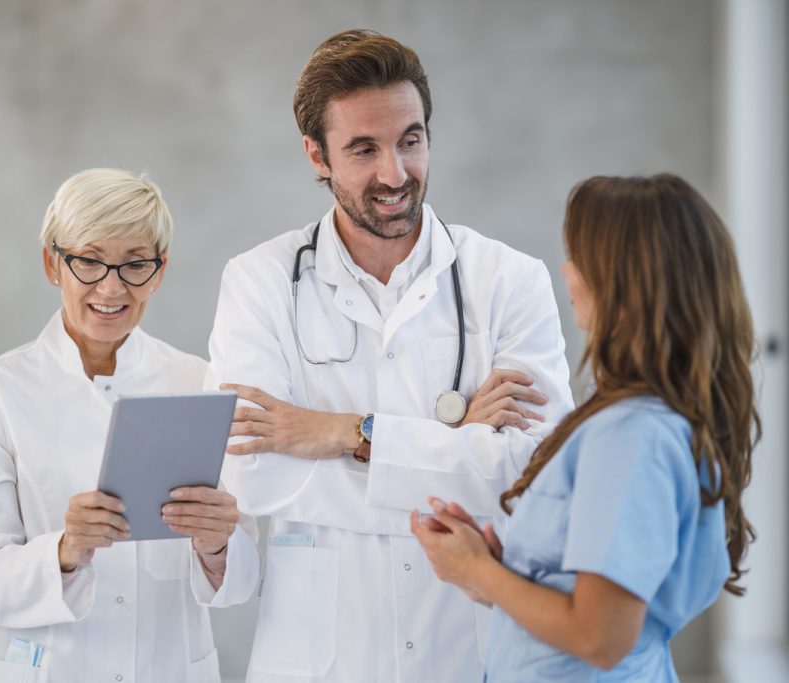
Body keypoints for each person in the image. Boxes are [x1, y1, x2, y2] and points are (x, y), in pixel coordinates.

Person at [205, 29, 574, 682]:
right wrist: (457, 442)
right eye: (363, 149)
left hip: (465, 652)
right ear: (316, 155)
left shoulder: (508, 279)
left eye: (411, 140)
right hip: (319, 660)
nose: (395, 174)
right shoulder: (259, 281)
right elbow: (250, 476)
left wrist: (339, 432)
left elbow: (539, 477)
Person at [412, 174, 759, 681]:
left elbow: (601, 636)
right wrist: (506, 577)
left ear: (623, 281)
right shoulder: (653, 420)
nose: (566, 270)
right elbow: (595, 601)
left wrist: (478, 571)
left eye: (578, 255)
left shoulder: (631, 435)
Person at [0, 168, 260, 682]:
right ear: (53, 264)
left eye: (135, 264)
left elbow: (243, 580)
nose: (111, 288)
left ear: (158, 272)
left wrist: (218, 544)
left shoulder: (199, 381)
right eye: (89, 261)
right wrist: (66, 551)